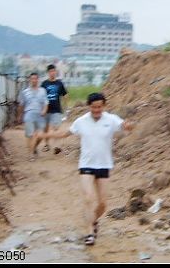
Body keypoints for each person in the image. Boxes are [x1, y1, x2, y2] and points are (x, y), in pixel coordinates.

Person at [43, 92, 134, 246]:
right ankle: (89, 233)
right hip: (86, 165)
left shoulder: (111, 119)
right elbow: (66, 133)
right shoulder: (81, 121)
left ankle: (93, 220)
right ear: (89, 107)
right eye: (93, 107)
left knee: (103, 204)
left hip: (104, 164)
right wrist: (46, 135)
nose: (96, 110)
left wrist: (129, 126)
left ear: (103, 106)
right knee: (87, 198)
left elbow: (126, 127)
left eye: (99, 107)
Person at [17, 72, 49, 161]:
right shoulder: (25, 92)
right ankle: (30, 155)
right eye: (32, 79)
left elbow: (46, 103)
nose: (34, 80)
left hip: (40, 115)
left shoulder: (43, 90)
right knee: (30, 135)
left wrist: (44, 111)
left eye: (35, 78)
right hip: (29, 114)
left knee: (40, 135)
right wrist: (19, 115)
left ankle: (34, 147)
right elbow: (21, 105)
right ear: (30, 80)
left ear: (38, 80)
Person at [40, 64, 68, 155]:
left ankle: (56, 146)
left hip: (56, 109)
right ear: (48, 73)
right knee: (46, 128)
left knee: (55, 128)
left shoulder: (59, 83)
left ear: (56, 72)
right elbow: (40, 96)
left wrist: (65, 105)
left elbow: (65, 95)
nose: (52, 73)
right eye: (51, 71)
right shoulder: (44, 84)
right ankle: (46, 144)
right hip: (46, 109)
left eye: (54, 71)